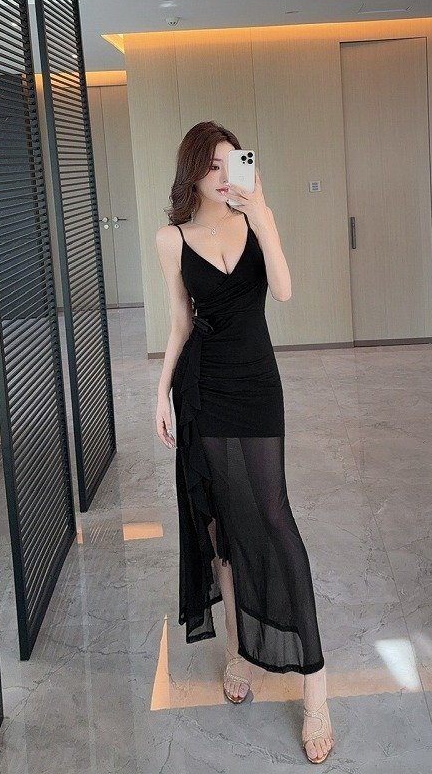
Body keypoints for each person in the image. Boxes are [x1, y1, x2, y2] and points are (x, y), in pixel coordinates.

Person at [155, 120, 335, 764]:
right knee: (222, 526)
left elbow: (282, 290)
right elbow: (181, 322)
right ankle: (237, 651)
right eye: (211, 164)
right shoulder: (172, 239)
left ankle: (316, 689)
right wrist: (161, 393)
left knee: (275, 518)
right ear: (192, 172)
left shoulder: (257, 219)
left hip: (257, 384)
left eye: (231, 162)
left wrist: (262, 215)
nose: (222, 173)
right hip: (204, 389)